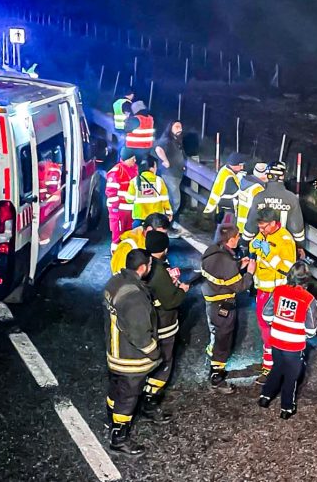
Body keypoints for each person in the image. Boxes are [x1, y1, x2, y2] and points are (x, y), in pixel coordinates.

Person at [104, 249, 159, 456]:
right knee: (127, 399)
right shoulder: (135, 298)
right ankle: (119, 438)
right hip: (130, 360)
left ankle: (111, 419)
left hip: (114, 352)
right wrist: (154, 353)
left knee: (116, 391)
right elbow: (140, 335)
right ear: (143, 267)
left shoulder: (115, 282)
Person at [258, 262, 317, 419]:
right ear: (306, 280)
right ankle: (287, 407)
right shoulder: (308, 299)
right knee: (291, 377)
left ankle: (265, 396)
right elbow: (311, 330)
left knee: (276, 368)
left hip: (276, 339)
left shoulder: (278, 291)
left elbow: (266, 315)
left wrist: (277, 325)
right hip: (294, 345)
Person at [200, 225, 256, 393]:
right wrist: (249, 273)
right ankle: (216, 377)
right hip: (223, 305)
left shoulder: (211, 251)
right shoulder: (227, 262)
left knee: (217, 333)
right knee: (224, 339)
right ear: (231, 240)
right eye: (237, 237)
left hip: (211, 302)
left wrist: (238, 265)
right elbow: (239, 286)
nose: (239, 239)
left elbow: (221, 274)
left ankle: (213, 359)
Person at [142, 231, 189, 423]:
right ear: (165, 249)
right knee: (164, 362)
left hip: (147, 325)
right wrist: (182, 290)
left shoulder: (143, 264)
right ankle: (150, 400)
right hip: (164, 325)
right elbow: (171, 301)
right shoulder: (160, 271)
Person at [249, 207, 296, 384]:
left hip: (276, 293)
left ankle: (271, 367)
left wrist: (269, 256)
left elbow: (288, 268)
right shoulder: (265, 234)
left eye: (263, 227)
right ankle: (268, 363)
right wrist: (254, 245)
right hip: (263, 290)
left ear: (274, 223)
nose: (261, 230)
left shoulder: (285, 240)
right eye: (259, 228)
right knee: (264, 329)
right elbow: (253, 245)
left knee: (272, 330)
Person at [242, 161, 305, 247]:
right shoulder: (291, 198)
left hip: (263, 245)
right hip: (284, 246)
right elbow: (297, 228)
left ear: (267, 175)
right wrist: (299, 247)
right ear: (283, 176)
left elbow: (251, 223)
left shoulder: (259, 197)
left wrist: (244, 243)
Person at [125, 157, 173, 228]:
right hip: (155, 218)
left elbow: (129, 200)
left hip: (139, 217)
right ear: (151, 168)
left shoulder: (134, 181)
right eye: (155, 166)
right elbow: (165, 200)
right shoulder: (159, 181)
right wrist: (169, 213)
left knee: (137, 237)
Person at [154, 120, 186, 227]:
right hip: (169, 175)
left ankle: (165, 223)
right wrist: (165, 161)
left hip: (176, 175)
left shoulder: (177, 140)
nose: (179, 129)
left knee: (173, 200)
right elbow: (158, 149)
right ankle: (166, 223)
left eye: (180, 127)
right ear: (170, 128)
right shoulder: (167, 140)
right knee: (174, 200)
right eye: (176, 127)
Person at [106, 148, 138, 253]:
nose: (135, 160)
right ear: (126, 159)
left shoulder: (135, 169)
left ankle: (127, 253)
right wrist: (115, 209)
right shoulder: (116, 172)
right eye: (132, 159)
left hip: (131, 210)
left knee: (129, 233)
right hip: (119, 211)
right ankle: (116, 255)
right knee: (117, 234)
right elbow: (111, 192)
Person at [204, 152, 245, 225]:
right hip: (227, 211)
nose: (242, 168)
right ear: (234, 165)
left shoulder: (225, 170)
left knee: (221, 231)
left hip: (219, 209)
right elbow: (238, 192)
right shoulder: (229, 178)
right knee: (226, 231)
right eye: (240, 165)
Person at [236, 162, 267, 233]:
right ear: (264, 175)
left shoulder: (244, 181)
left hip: (240, 225)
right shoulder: (258, 189)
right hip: (251, 227)